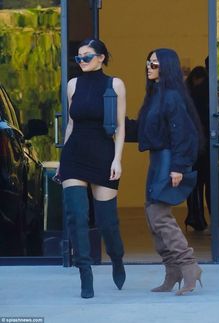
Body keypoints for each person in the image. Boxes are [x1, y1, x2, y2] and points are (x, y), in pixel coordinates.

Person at [126, 48, 203, 295]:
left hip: (169, 160)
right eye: (148, 62)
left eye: (155, 64)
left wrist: (178, 167)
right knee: (152, 216)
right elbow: (145, 130)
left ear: (167, 67)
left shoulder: (171, 96)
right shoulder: (156, 95)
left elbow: (182, 133)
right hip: (158, 160)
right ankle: (173, 271)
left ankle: (190, 267)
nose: (149, 66)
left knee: (160, 215)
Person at [58, 38, 126, 298]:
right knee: (77, 216)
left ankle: (117, 258)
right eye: (78, 58)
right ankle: (85, 273)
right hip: (75, 154)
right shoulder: (72, 84)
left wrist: (117, 159)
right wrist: (63, 159)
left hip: (102, 154)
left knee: (108, 222)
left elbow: (119, 126)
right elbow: (71, 125)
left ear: (101, 57)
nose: (82, 61)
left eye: (87, 57)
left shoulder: (115, 84)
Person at [185, 66, 210, 231]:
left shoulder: (189, 95)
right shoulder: (207, 91)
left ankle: (196, 218)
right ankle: (215, 221)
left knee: (194, 184)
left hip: (193, 144)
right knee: (210, 183)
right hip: (209, 144)